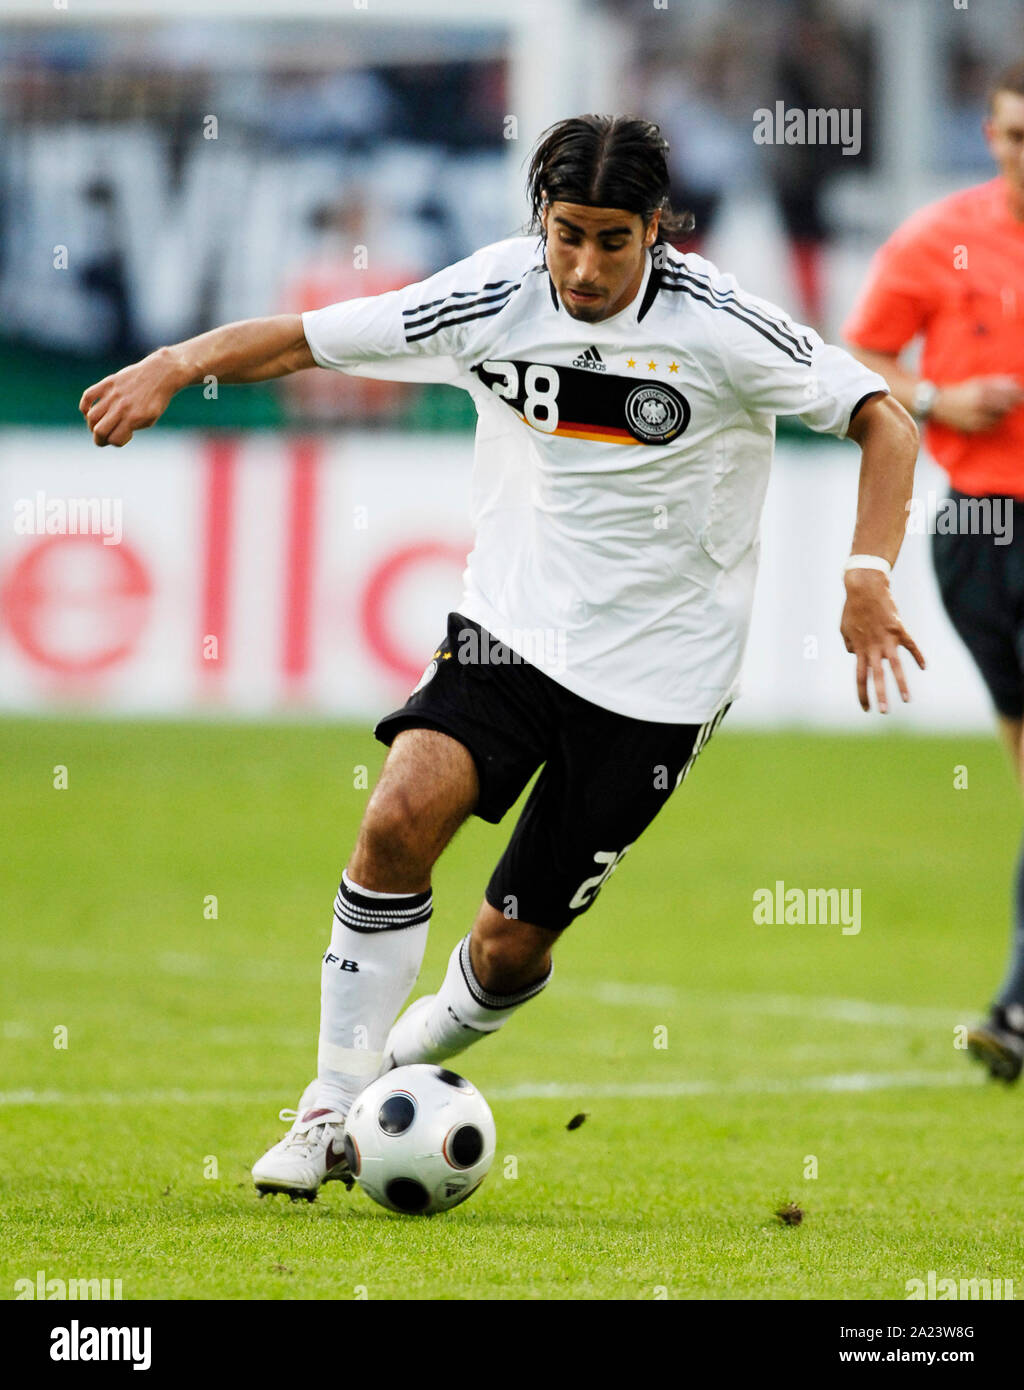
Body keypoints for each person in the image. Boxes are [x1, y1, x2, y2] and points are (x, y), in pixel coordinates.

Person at [80, 114, 923, 1200]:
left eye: (612, 240)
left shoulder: (721, 327)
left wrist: (864, 572)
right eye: (566, 233)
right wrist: (174, 363)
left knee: (511, 945)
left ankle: (395, 1063)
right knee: (396, 814)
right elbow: (308, 337)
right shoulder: (492, 293)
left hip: (660, 680)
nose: (583, 264)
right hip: (513, 628)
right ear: (541, 221)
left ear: (656, 231)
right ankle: (328, 1103)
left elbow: (882, 418)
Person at [843, 61, 1024, 1082]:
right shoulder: (939, 237)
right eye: (1012, 135)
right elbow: (860, 356)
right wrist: (944, 395)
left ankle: (1014, 1005)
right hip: (985, 533)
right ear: (990, 135)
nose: (1022, 154)